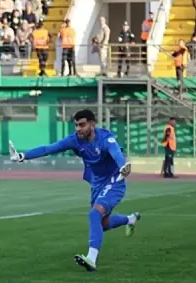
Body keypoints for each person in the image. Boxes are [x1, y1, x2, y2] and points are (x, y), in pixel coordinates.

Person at [8, 109, 140, 271]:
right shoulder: (75, 140)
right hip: (97, 184)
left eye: (82, 125)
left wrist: (123, 167)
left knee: (94, 214)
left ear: (92, 124)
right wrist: (23, 156)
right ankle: (130, 219)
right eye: (76, 125)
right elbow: (49, 148)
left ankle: (91, 259)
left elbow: (117, 153)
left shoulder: (106, 138)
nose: (78, 129)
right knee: (102, 224)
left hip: (114, 181)